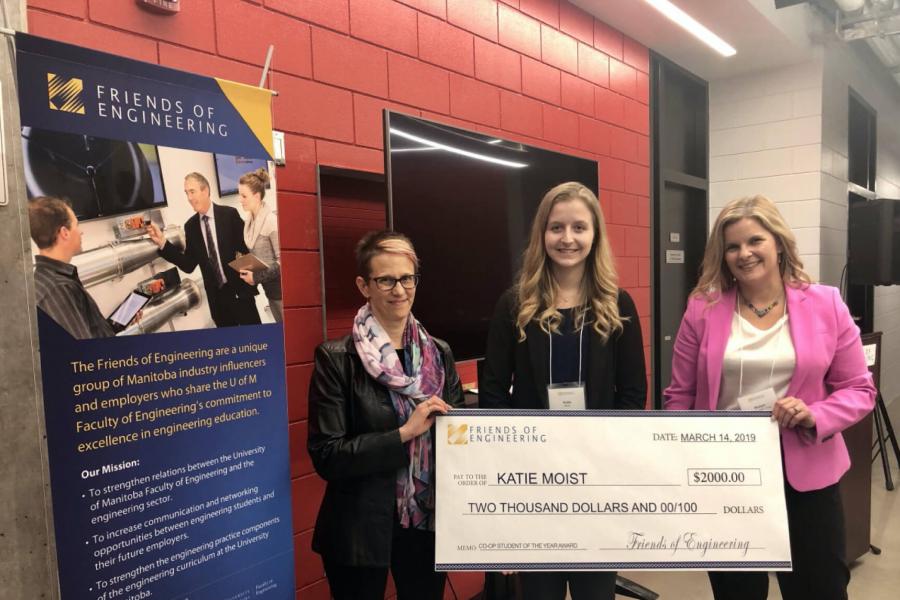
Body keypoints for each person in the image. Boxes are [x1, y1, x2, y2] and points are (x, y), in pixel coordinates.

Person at [664, 195, 876, 600]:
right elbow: (680, 395)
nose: (744, 253)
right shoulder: (701, 309)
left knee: (820, 588)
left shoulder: (826, 302)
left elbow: (859, 389)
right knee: (736, 591)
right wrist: (688, 456)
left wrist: (815, 413)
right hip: (726, 472)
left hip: (806, 471)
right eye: (732, 246)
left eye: (754, 241)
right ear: (722, 255)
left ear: (777, 242)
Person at [480, 182, 647, 600]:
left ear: (595, 235)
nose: (567, 239)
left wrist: (606, 458)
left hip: (598, 480)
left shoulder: (618, 304)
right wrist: (511, 464)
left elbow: (632, 393)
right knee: (539, 592)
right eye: (556, 227)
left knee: (595, 592)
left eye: (579, 227)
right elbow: (494, 394)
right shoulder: (513, 304)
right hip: (532, 478)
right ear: (542, 234)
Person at [307, 230, 464, 600]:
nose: (400, 290)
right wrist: (403, 434)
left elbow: (459, 442)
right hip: (359, 529)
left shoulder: (438, 354)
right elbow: (327, 455)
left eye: (407, 278)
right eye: (386, 280)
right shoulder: (336, 358)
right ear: (364, 285)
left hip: (426, 521)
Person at [147, 172, 260, 327]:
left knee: (256, 342)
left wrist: (252, 283)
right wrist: (163, 243)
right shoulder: (191, 227)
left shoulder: (229, 215)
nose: (189, 198)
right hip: (217, 303)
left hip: (240, 295)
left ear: (205, 190)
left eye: (192, 192)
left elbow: (248, 250)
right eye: (186, 193)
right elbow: (188, 264)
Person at [28, 196, 116, 339]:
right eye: (77, 224)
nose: (81, 232)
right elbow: (85, 356)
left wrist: (113, 326)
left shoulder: (51, 281)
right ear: (65, 233)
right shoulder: (57, 290)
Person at [236, 168, 282, 322]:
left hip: (280, 292)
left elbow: (283, 263)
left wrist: (255, 277)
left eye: (244, 196)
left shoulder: (270, 220)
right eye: (239, 195)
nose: (240, 199)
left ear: (256, 196)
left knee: (286, 335)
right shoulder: (249, 221)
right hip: (269, 289)